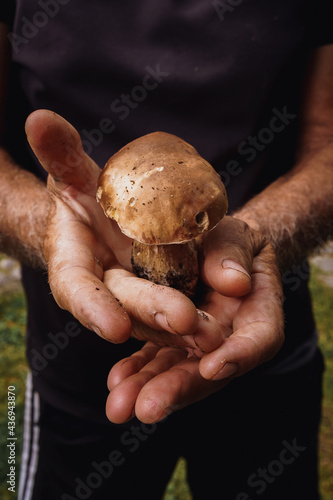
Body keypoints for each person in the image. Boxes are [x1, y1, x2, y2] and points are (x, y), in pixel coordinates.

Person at [0, 1, 332, 499]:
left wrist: (258, 235)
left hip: (258, 322)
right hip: (77, 357)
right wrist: (53, 224)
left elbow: (327, 135)